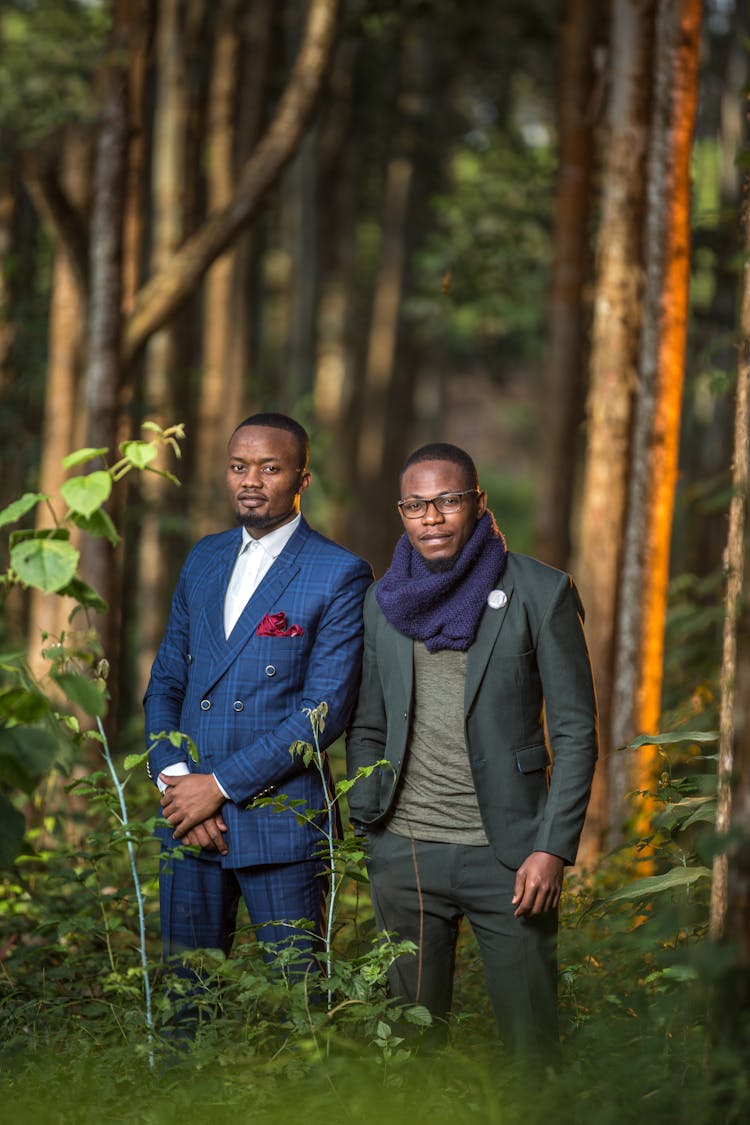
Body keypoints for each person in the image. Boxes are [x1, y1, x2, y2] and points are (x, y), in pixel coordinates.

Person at [345, 442, 598, 1057]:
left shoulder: (542, 592)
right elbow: (369, 727)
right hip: (406, 854)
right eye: (415, 505)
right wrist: (371, 829)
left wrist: (551, 850)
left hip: (508, 857)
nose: (431, 517)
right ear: (401, 513)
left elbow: (575, 732)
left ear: (477, 504)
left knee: (531, 1044)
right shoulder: (382, 607)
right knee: (408, 1050)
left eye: (447, 501)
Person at [145, 412, 373, 1007]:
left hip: (282, 824)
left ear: (302, 478)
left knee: (302, 1008)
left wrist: (216, 787)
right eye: (239, 466)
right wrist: (177, 786)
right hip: (188, 823)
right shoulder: (203, 558)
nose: (252, 480)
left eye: (270, 468)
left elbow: (323, 713)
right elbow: (167, 681)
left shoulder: (339, 572)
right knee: (185, 1004)